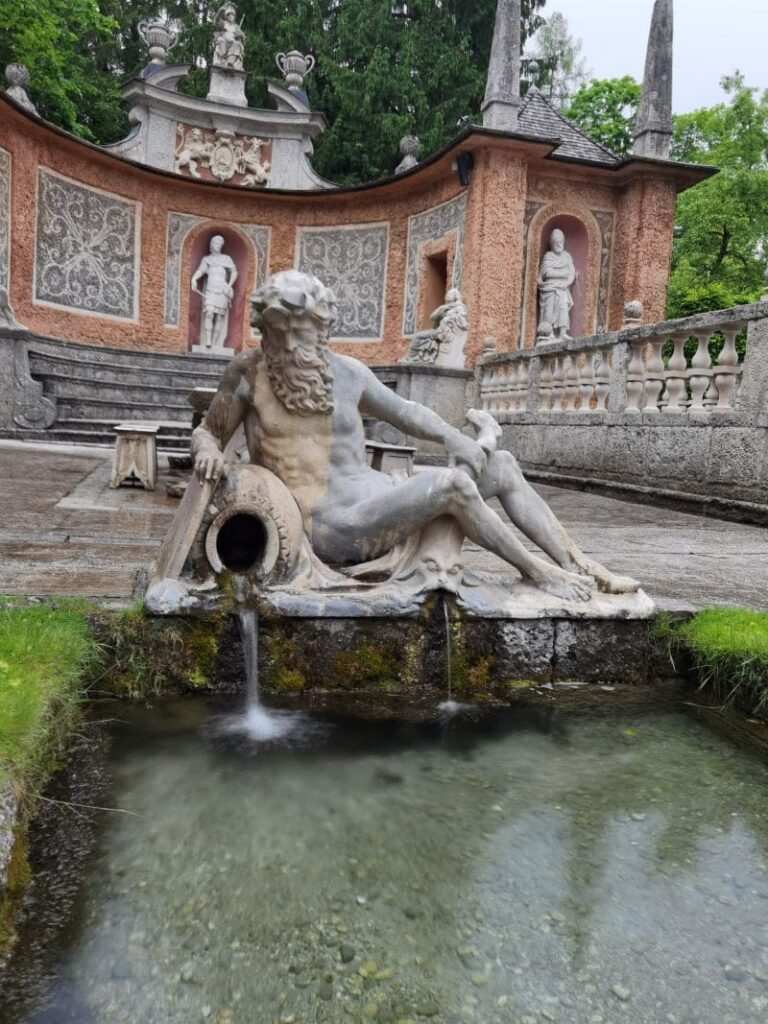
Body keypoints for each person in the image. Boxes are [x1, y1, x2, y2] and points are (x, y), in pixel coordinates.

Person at [191, 270, 638, 599]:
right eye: (278, 335)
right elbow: (208, 433)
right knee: (451, 484)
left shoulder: (348, 373)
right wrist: (208, 450)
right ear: (263, 331)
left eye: (301, 334)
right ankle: (538, 571)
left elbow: (406, 411)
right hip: (331, 526)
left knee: (500, 466)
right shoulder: (247, 375)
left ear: (321, 330)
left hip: (379, 498)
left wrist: (454, 438)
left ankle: (578, 562)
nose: (289, 347)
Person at [190, 236, 237, 351]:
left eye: (219, 243)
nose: (216, 244)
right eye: (214, 242)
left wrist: (229, 285)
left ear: (221, 245)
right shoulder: (207, 259)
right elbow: (200, 271)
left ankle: (216, 343)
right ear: (211, 244)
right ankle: (208, 340)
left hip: (222, 290)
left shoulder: (226, 259)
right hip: (210, 290)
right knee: (209, 313)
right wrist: (194, 279)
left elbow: (234, 272)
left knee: (219, 317)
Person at [538, 228, 576, 340]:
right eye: (555, 242)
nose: (558, 244)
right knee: (549, 309)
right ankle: (548, 333)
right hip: (550, 288)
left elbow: (571, 273)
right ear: (552, 244)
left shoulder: (567, 256)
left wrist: (566, 281)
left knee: (564, 308)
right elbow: (547, 273)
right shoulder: (548, 256)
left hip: (563, 288)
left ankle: (563, 332)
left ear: (563, 242)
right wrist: (562, 274)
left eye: (560, 241)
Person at [213, 4, 245, 70]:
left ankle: (230, 63)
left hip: (233, 44)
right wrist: (220, 10)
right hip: (224, 43)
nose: (231, 16)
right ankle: (222, 62)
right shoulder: (223, 23)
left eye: (233, 15)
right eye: (230, 15)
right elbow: (216, 20)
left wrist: (240, 35)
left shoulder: (236, 27)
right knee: (220, 40)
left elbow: (243, 36)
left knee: (237, 44)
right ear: (226, 16)